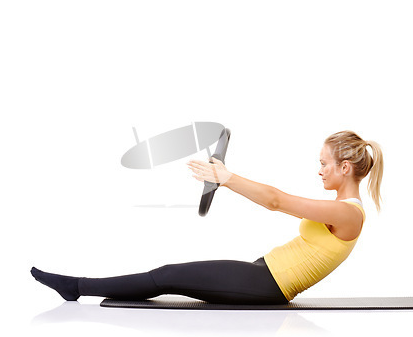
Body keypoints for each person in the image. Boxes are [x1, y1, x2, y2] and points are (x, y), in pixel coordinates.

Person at [31, 130, 383, 304]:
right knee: (168, 276)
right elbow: (277, 201)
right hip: (263, 273)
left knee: (166, 276)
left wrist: (226, 178)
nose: (320, 170)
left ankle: (75, 287)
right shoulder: (342, 208)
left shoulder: (347, 214)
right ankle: (78, 287)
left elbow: (277, 201)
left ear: (345, 167)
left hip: (268, 286)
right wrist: (225, 181)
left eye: (324, 164)